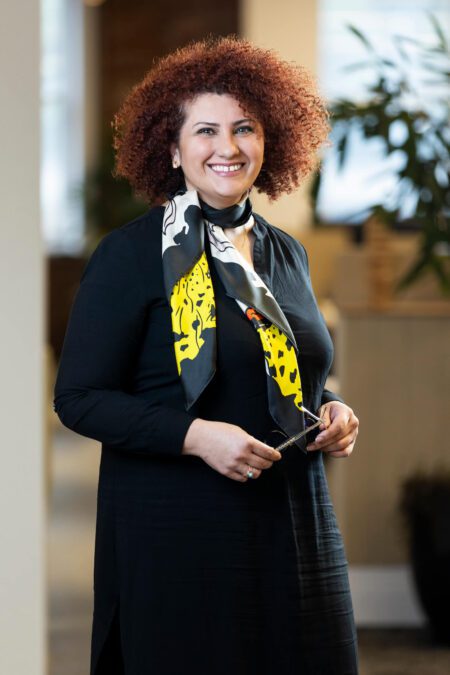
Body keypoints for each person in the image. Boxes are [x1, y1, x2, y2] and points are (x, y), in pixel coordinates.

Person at [54, 35, 360, 675]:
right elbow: (79, 399)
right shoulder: (130, 256)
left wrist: (330, 409)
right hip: (178, 527)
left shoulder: (287, 253)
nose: (228, 148)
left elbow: (284, 372)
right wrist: (195, 436)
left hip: (293, 518)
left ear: (269, 139)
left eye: (245, 128)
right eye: (206, 130)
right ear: (171, 146)